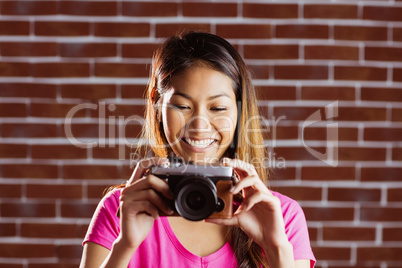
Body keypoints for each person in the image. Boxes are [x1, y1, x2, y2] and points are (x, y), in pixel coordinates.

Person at [79, 31, 316, 268]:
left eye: (218, 108)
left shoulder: (281, 217)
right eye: (182, 106)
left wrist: (276, 249)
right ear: (157, 106)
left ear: (240, 112)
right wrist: (125, 245)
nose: (199, 126)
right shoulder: (121, 209)